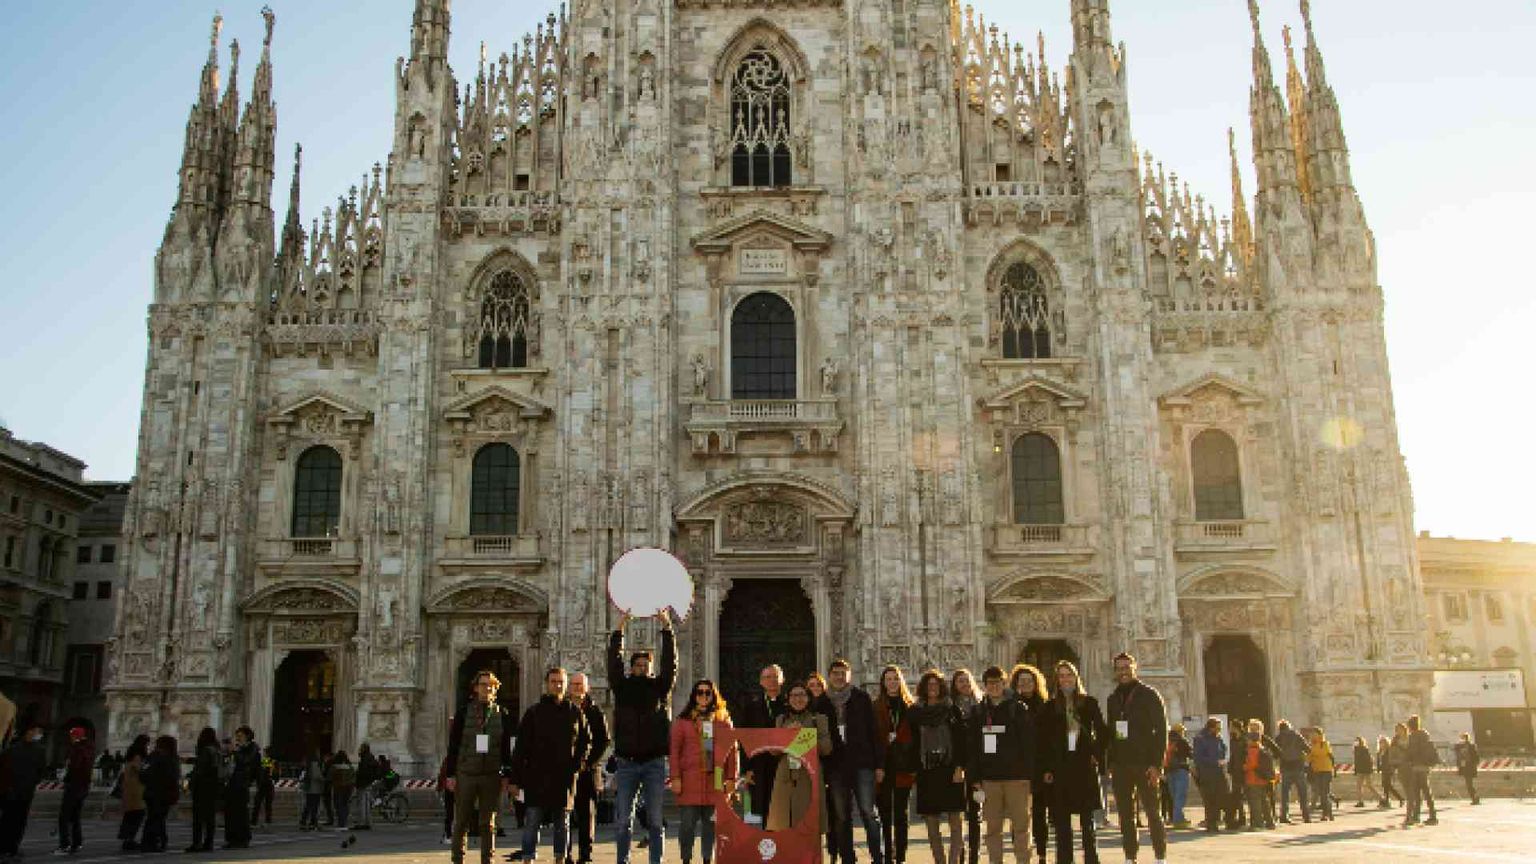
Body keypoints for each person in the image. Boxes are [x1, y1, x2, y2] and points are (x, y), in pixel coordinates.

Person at [609, 610, 678, 864]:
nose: (641, 668)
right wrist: (620, 627)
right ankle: (622, 860)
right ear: (632, 667)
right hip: (626, 761)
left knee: (656, 820)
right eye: (637, 665)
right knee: (622, 819)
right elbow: (613, 660)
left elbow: (670, 663)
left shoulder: (660, 689)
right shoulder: (622, 687)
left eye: (645, 665)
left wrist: (667, 628)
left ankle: (655, 861)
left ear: (650, 667)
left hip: (653, 762)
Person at [513, 667, 591, 864]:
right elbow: (521, 747)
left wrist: (577, 765)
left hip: (564, 777)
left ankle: (560, 858)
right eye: (553, 681)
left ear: (566, 686)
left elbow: (585, 742)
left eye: (561, 682)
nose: (557, 685)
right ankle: (528, 858)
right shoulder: (534, 712)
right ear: (546, 684)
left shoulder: (574, 712)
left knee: (562, 823)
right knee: (532, 821)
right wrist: (516, 778)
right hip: (536, 776)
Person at [1038, 661, 1106, 864]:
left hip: (1083, 766)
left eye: (1069, 675)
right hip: (1060, 768)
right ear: (1056, 681)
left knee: (1087, 822)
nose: (1065, 679)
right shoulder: (1050, 707)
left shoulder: (1089, 703)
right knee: (1062, 824)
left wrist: (1096, 754)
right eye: (1061, 676)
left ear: (1076, 678)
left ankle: (1091, 860)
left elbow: (1103, 732)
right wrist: (1047, 768)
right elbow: (1043, 740)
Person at [446, 669, 515, 864]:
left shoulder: (502, 714)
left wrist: (506, 774)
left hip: (491, 774)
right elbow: (454, 745)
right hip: (466, 772)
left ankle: (487, 860)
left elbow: (505, 748)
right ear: (476, 688)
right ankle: (458, 859)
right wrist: (451, 774)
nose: (488, 689)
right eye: (484, 685)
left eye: (491, 685)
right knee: (461, 821)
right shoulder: (463, 712)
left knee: (488, 823)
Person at [1105, 652, 1168, 864]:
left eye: (1126, 667)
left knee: (1152, 812)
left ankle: (1160, 856)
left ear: (1135, 668)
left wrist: (1156, 764)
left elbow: (1161, 731)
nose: (1123, 672)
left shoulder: (1149, 695)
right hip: (1122, 765)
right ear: (1115, 671)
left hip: (1145, 764)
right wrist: (1111, 762)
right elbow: (1112, 732)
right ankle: (1130, 857)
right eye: (1119, 668)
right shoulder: (1113, 699)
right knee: (1125, 816)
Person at [967, 665, 1034, 864]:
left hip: (1016, 778)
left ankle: (1023, 861)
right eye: (990, 683)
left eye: (998, 683)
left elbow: (1028, 744)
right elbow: (972, 747)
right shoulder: (978, 712)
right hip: (990, 779)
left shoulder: (1018, 708)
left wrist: (1029, 776)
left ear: (1004, 684)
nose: (994, 687)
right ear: (985, 686)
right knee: (993, 829)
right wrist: (975, 777)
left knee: (1021, 827)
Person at [825, 659, 886, 864]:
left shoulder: (861, 698)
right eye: (835, 673)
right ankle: (848, 859)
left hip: (862, 763)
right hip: (836, 766)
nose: (839, 677)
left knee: (869, 812)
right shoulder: (823, 702)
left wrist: (879, 764)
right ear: (829, 675)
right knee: (842, 816)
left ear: (849, 676)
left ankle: (878, 857)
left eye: (843, 673)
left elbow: (874, 732)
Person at [671, 678, 737, 864]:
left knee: (711, 825)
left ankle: (708, 858)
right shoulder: (683, 721)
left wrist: (731, 778)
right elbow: (674, 750)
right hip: (689, 779)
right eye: (700, 692)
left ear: (713, 695)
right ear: (694, 696)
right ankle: (686, 858)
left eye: (707, 692)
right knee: (687, 826)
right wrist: (675, 777)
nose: (703, 696)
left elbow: (732, 751)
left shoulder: (723, 721)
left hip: (715, 778)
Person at [910, 671, 966, 864]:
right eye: (929, 684)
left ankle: (953, 861)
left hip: (950, 768)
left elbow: (961, 741)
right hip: (927, 770)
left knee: (955, 822)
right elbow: (911, 743)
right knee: (932, 824)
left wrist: (960, 766)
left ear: (942, 687)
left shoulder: (952, 710)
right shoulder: (915, 712)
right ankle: (940, 861)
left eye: (936, 684)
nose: (932, 687)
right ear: (923, 688)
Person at [769, 683, 832, 831]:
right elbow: (773, 750)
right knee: (784, 825)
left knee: (809, 826)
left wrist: (802, 735)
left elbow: (826, 748)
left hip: (809, 776)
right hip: (785, 776)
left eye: (802, 695)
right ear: (788, 699)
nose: (798, 699)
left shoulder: (819, 719)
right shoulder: (781, 720)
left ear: (809, 698)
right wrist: (786, 734)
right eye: (794, 695)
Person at [567, 672, 611, 864]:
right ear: (569, 687)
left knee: (586, 813)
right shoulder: (563, 709)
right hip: (566, 770)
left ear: (587, 688)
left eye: (580, 685)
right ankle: (564, 852)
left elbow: (604, 740)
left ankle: (585, 853)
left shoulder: (594, 711)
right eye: (574, 684)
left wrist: (589, 762)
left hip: (588, 770)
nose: (577, 688)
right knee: (565, 813)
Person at [1010, 665, 1051, 864]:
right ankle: (1021, 853)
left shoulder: (1045, 706)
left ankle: (1042, 853)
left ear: (1036, 683)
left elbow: (1050, 740)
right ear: (1015, 684)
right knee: (1018, 815)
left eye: (1029, 680)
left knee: (1040, 814)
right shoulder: (1010, 707)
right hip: (1016, 768)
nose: (1025, 684)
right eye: (1021, 681)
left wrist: (1049, 768)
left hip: (1039, 766)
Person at [875, 665, 917, 864]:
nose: (892, 682)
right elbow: (872, 737)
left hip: (904, 765)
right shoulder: (876, 706)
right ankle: (887, 856)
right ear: (883, 683)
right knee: (884, 812)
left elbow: (917, 738)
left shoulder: (910, 706)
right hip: (884, 766)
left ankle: (900, 856)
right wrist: (877, 766)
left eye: (895, 678)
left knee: (901, 813)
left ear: (900, 681)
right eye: (888, 679)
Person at [738, 665, 787, 825]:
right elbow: (743, 740)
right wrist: (746, 770)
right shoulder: (751, 707)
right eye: (768, 677)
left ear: (782, 680)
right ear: (761, 682)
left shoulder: (790, 705)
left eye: (775, 677)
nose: (772, 681)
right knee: (759, 813)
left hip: (783, 767)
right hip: (759, 768)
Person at [0, 719, 47, 858]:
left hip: (16, 791)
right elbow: (40, 772)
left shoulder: (12, 749)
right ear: (28, 732)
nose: (38, 734)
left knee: (11, 820)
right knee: (15, 821)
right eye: (35, 731)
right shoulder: (38, 750)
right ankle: (11, 847)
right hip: (19, 791)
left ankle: (7, 847)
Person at [807, 672, 841, 864]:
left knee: (831, 811)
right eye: (811, 686)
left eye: (818, 686)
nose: (814, 689)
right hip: (809, 768)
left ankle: (833, 850)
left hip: (828, 765)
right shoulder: (801, 709)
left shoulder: (829, 707)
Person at [949, 669, 982, 864]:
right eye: (960, 681)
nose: (964, 684)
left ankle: (974, 855)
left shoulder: (981, 705)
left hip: (977, 765)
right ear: (954, 685)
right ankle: (959, 854)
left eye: (967, 680)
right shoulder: (950, 707)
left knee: (975, 812)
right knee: (958, 812)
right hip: (958, 765)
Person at [56, 725, 92, 855]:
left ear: (75, 736)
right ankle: (77, 843)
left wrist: (65, 776)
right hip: (83, 787)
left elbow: (73, 767)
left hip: (73, 786)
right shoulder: (88, 749)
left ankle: (64, 844)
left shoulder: (76, 749)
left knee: (64, 817)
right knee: (75, 817)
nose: (70, 738)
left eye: (72, 735)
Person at [140, 735, 180, 854]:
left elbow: (142, 774)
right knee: (158, 818)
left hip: (150, 792)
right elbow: (173, 777)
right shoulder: (170, 758)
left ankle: (154, 841)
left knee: (153, 818)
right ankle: (153, 842)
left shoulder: (151, 757)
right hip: (163, 793)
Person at [186, 727, 222, 852]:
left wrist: (190, 780)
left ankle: (197, 843)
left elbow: (200, 769)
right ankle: (209, 843)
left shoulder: (206, 750)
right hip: (214, 787)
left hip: (202, 787)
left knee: (198, 817)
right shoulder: (217, 750)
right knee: (209, 817)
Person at [223, 726, 260, 848]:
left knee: (240, 812)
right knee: (230, 812)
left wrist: (235, 751)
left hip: (242, 784)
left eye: (240, 736)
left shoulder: (252, 748)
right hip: (232, 783)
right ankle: (231, 838)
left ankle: (242, 838)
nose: (238, 738)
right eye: (237, 736)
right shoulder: (238, 749)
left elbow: (246, 761)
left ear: (247, 736)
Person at [1191, 718, 1229, 834]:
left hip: (1218, 772)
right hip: (1206, 773)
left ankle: (1216, 820)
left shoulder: (1218, 738)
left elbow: (1222, 750)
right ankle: (1211, 823)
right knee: (1209, 799)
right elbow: (1198, 757)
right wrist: (1215, 761)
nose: (1219, 731)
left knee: (1220, 797)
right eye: (1217, 728)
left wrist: (1222, 759)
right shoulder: (1201, 739)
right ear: (1211, 727)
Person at [1240, 720, 1276, 831]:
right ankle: (1270, 822)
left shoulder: (1251, 751)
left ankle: (1258, 824)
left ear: (1250, 740)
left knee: (1255, 803)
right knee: (1265, 803)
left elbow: (1252, 765)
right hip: (1263, 780)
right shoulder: (1263, 750)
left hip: (1253, 779)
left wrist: (1244, 767)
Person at [1272, 720, 1310, 824]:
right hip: (1298, 767)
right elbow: (1307, 749)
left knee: (1285, 794)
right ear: (1289, 726)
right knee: (1302, 793)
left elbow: (1275, 754)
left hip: (1285, 768)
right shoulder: (1297, 735)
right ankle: (1306, 815)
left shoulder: (1278, 738)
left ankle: (1284, 815)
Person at [117, 735, 151, 852]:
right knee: (137, 815)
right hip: (136, 790)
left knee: (130, 815)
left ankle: (127, 839)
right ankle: (129, 839)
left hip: (129, 789)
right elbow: (140, 771)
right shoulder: (137, 757)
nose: (148, 747)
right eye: (147, 744)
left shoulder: (130, 756)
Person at [1403, 715, 1438, 827]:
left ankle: (1417, 815)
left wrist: (1406, 758)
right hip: (1425, 766)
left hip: (1417, 766)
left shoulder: (1413, 736)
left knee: (1417, 792)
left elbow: (1411, 751)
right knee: (1427, 792)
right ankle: (1432, 815)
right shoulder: (1425, 735)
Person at [1163, 725, 1193, 830]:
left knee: (1174, 796)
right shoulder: (1182, 741)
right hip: (1181, 770)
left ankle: (1177, 818)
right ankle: (1178, 820)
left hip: (1169, 771)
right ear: (1180, 731)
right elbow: (1191, 754)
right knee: (1180, 796)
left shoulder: (1166, 740)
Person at [1305, 729, 1335, 821]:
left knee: (1324, 793)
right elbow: (1308, 759)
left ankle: (1325, 814)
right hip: (1317, 771)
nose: (1312, 736)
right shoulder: (1311, 745)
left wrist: (1312, 753)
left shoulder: (1324, 743)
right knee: (1321, 792)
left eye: (1314, 734)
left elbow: (1321, 753)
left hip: (1326, 770)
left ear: (1319, 734)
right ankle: (1329, 814)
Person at [1224, 727, 1247, 830]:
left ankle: (1244, 818)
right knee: (1237, 796)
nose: (1230, 730)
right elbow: (1232, 757)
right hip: (1236, 773)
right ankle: (1240, 818)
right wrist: (1230, 769)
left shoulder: (1245, 741)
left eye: (1233, 727)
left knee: (1245, 795)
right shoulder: (1232, 741)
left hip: (1244, 772)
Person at [331, 751, 357, 837]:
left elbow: (330, 777)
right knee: (345, 804)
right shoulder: (350, 767)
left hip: (338, 788)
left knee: (338, 805)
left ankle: (341, 823)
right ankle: (344, 823)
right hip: (348, 788)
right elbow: (353, 777)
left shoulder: (335, 767)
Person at [354, 742, 380, 829]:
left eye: (361, 748)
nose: (359, 749)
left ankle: (361, 822)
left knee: (362, 804)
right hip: (368, 783)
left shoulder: (364, 759)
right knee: (367, 804)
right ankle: (367, 822)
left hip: (363, 784)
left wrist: (358, 778)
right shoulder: (371, 758)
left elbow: (362, 772)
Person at [302, 747, 329, 830]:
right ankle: (312, 820)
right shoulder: (315, 763)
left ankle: (305, 819)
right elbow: (316, 775)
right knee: (314, 805)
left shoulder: (309, 763)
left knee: (309, 804)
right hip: (315, 787)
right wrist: (323, 779)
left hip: (310, 787)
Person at [252, 746, 277, 828]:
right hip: (269, 784)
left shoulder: (267, 760)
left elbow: (263, 772)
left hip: (265, 784)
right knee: (267, 804)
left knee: (258, 802)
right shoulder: (274, 761)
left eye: (265, 752)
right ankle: (267, 820)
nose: (264, 754)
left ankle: (254, 821)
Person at [1350, 737, 1378, 808]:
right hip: (1362, 770)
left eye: (1357, 741)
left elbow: (1365, 760)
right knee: (1360, 786)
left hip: (1364, 770)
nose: (1355, 743)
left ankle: (1381, 799)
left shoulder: (1362, 750)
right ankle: (1360, 801)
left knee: (1368, 785)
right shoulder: (1360, 749)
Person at [1454, 732, 1480, 805]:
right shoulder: (1460, 747)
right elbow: (1458, 755)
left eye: (1462, 738)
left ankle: (1475, 798)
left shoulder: (1471, 746)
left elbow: (1476, 758)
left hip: (1469, 768)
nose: (1461, 740)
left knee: (1469, 784)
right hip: (1465, 768)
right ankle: (1475, 798)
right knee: (1469, 784)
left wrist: (1472, 764)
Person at [1376, 734, 1400, 809]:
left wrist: (1392, 769)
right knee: (1385, 786)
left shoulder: (1389, 751)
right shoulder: (1379, 752)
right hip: (1383, 770)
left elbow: (1391, 760)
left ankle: (1389, 801)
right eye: (1380, 743)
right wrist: (1378, 768)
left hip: (1389, 770)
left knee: (1387, 786)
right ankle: (1388, 801)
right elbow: (1379, 761)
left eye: (1383, 742)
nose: (1381, 744)